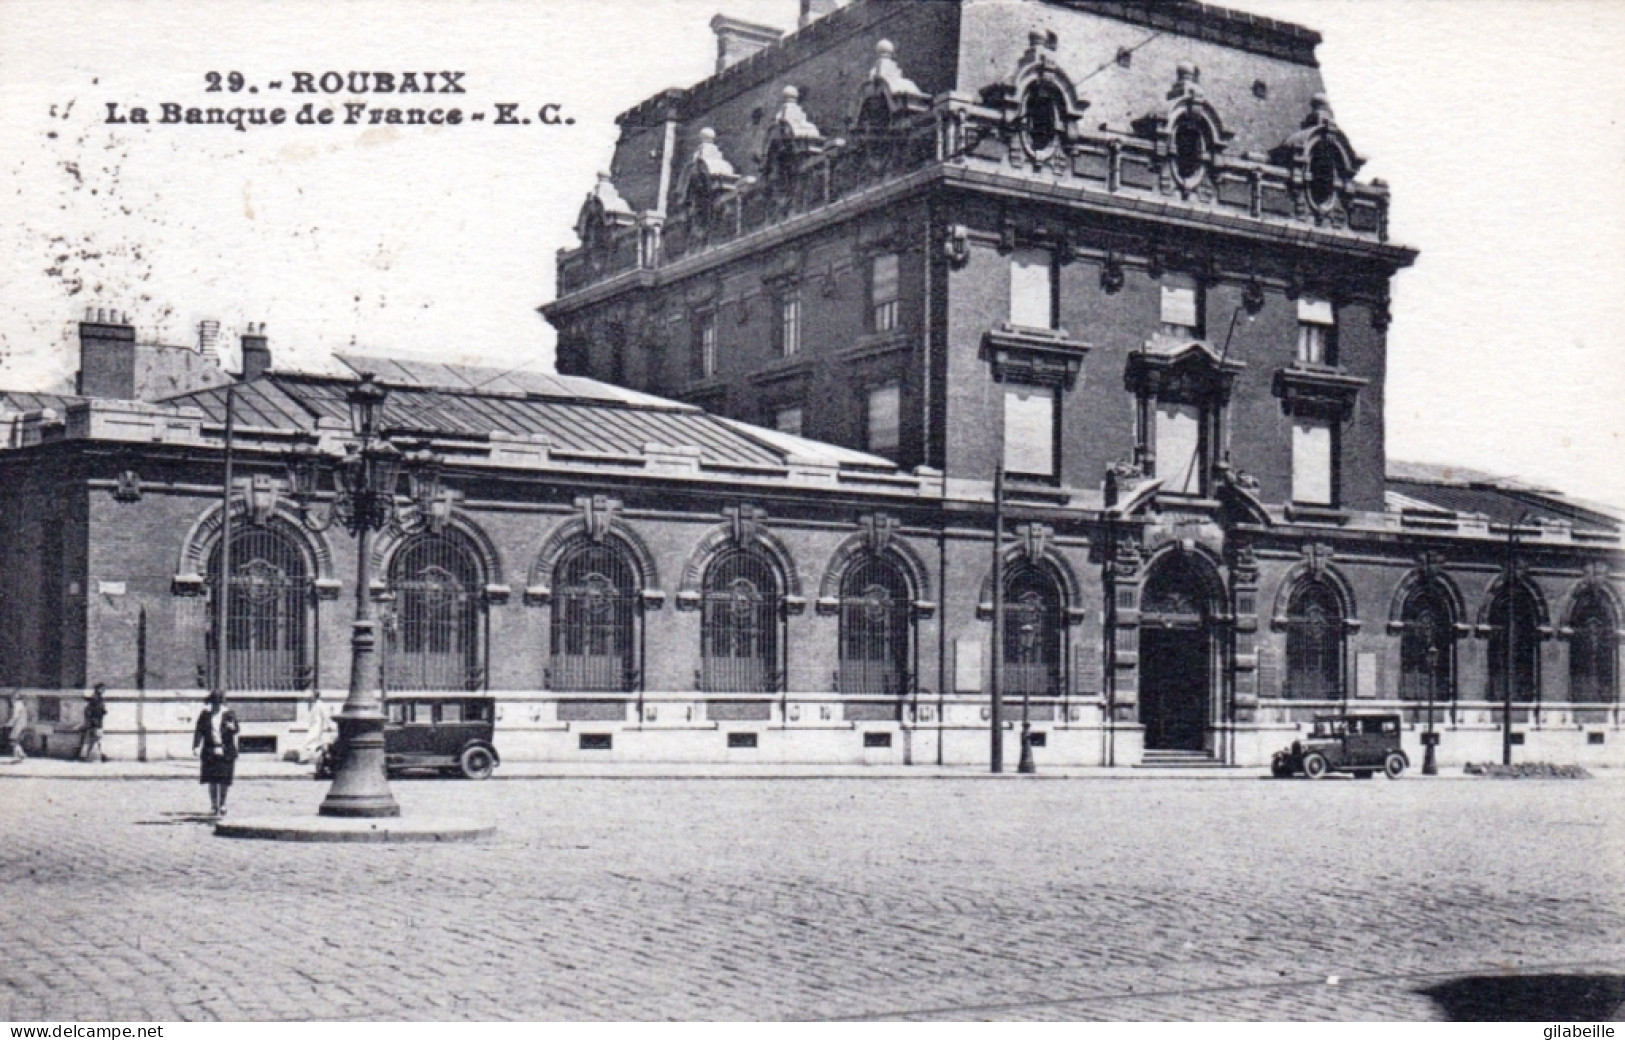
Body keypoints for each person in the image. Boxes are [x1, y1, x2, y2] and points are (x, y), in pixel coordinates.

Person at [191, 690, 240, 816]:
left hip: (226, 751)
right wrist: (196, 746)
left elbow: (236, 729)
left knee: (224, 780)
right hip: (210, 750)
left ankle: (222, 804)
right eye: (213, 703)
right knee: (212, 779)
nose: (216, 706)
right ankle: (214, 805)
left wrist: (232, 728)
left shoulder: (229, 714)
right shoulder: (205, 715)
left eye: (218, 703)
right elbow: (199, 731)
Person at [300, 690, 333, 765]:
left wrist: (328, 725)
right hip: (314, 726)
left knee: (307, 741)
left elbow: (325, 715)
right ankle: (313, 759)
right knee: (314, 743)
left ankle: (304, 759)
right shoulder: (314, 705)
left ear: (316, 696)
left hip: (317, 727)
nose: (311, 697)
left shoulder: (320, 705)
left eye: (312, 696)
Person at [79, 684, 107, 762]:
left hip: (94, 722)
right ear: (98, 689)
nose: (103, 691)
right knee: (94, 739)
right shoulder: (96, 699)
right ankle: (89, 756)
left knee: (92, 739)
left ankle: (86, 756)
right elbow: (94, 711)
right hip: (95, 723)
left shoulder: (96, 698)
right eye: (102, 689)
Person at [6, 695, 29, 761]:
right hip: (22, 724)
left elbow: (15, 716)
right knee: (15, 741)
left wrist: (9, 723)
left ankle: (17, 756)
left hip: (18, 725)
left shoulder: (17, 705)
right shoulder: (21, 704)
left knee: (12, 740)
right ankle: (21, 754)